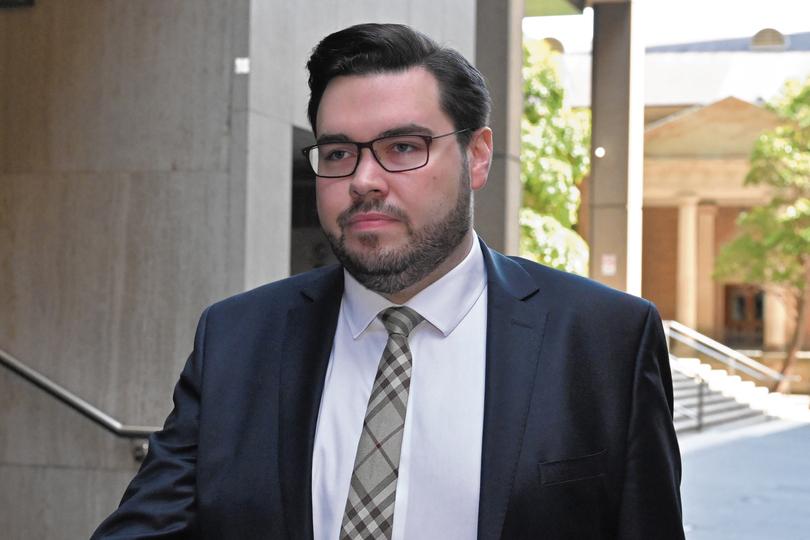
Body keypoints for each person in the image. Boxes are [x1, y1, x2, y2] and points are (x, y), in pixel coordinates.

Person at [92, 23, 684, 540]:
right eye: (339, 153)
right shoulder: (236, 338)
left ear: (478, 157)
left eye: (403, 147)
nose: (364, 180)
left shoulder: (606, 340)